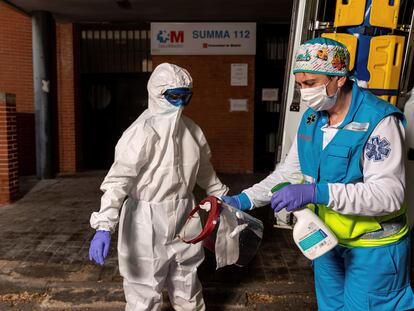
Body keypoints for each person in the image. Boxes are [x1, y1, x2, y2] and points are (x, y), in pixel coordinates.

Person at [223, 37, 414, 310]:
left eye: (311, 83)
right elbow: (288, 174)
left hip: (374, 248)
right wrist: (244, 200)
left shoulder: (380, 121)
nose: (304, 93)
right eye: (300, 85)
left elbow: (389, 196)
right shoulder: (313, 118)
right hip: (326, 241)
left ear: (339, 79)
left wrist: (316, 192)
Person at [88, 63, 228, 311]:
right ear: (157, 94)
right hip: (145, 220)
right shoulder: (141, 132)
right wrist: (104, 226)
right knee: (144, 293)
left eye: (186, 97)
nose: (180, 104)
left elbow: (205, 172)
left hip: (186, 214)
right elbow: (118, 181)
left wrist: (223, 199)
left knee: (188, 286)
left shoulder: (192, 131)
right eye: (175, 97)